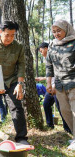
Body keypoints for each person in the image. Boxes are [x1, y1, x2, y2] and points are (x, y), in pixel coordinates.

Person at [0, 20, 29, 145]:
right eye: (7, 35)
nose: (10, 38)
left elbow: (21, 66)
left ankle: (21, 137)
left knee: (16, 107)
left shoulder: (18, 46)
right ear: (1, 32)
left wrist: (20, 85)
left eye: (13, 35)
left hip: (12, 81)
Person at [46, 19, 75, 150]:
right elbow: (49, 66)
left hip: (73, 82)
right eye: (54, 32)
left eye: (59, 31)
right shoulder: (52, 44)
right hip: (59, 84)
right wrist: (49, 83)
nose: (56, 34)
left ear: (66, 29)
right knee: (65, 111)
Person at [36, 42, 71, 132]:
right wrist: (43, 78)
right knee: (46, 104)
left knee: (61, 108)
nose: (41, 53)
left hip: (58, 86)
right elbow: (50, 73)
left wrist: (55, 84)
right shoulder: (46, 60)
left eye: (41, 51)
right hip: (50, 87)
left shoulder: (56, 57)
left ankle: (67, 128)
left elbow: (59, 73)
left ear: (46, 48)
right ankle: (50, 125)